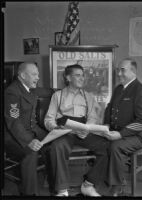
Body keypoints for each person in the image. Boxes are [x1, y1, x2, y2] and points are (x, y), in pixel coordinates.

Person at [44, 64, 108, 196]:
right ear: (68, 78)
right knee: (57, 147)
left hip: (83, 132)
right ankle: (62, 190)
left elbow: (92, 117)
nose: (82, 78)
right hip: (64, 131)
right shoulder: (58, 95)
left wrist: (87, 128)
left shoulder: (88, 96)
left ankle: (88, 185)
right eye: (78, 75)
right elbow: (48, 119)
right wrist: (55, 127)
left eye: (83, 75)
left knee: (107, 147)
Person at [102, 58, 142, 196]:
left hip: (139, 136)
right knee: (99, 141)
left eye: (122, 70)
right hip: (120, 131)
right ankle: (103, 176)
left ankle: (117, 186)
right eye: (118, 70)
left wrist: (120, 134)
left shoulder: (141, 91)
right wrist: (106, 125)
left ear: (133, 71)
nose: (119, 73)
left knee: (115, 146)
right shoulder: (119, 88)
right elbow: (109, 108)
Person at [4, 62, 47, 195]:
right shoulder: (12, 92)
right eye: (34, 74)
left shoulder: (29, 87)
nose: (38, 77)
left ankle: (51, 180)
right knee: (31, 152)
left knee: (56, 140)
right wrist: (29, 141)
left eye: (38, 74)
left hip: (32, 130)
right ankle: (30, 193)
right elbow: (13, 122)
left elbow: (46, 90)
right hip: (14, 135)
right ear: (22, 75)